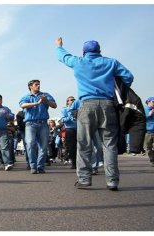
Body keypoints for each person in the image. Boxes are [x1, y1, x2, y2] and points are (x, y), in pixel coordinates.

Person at [56, 37, 134, 191]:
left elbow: (63, 57)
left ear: (84, 52)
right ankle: (112, 181)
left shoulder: (79, 62)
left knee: (84, 144)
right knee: (109, 144)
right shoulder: (111, 62)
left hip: (87, 105)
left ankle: (84, 179)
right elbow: (128, 77)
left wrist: (59, 46)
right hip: (107, 105)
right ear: (99, 51)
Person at [19, 80, 57, 174]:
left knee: (43, 146)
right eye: (36, 84)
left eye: (39, 84)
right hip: (30, 124)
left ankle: (40, 166)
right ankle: (33, 166)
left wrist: (46, 101)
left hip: (43, 123)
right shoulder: (26, 97)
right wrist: (37, 103)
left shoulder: (45, 95)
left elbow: (54, 105)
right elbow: (22, 105)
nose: (38, 86)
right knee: (30, 144)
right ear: (30, 86)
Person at [60, 96, 79, 169]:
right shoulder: (64, 110)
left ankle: (80, 162)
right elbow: (63, 120)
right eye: (71, 100)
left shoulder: (78, 108)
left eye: (73, 100)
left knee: (80, 146)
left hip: (79, 128)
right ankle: (74, 162)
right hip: (69, 129)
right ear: (67, 102)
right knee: (71, 147)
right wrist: (70, 116)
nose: (72, 101)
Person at [144, 96, 154, 167]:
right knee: (148, 148)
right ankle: (152, 160)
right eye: (153, 102)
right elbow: (141, 119)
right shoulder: (144, 109)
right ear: (148, 102)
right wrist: (148, 115)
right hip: (147, 132)